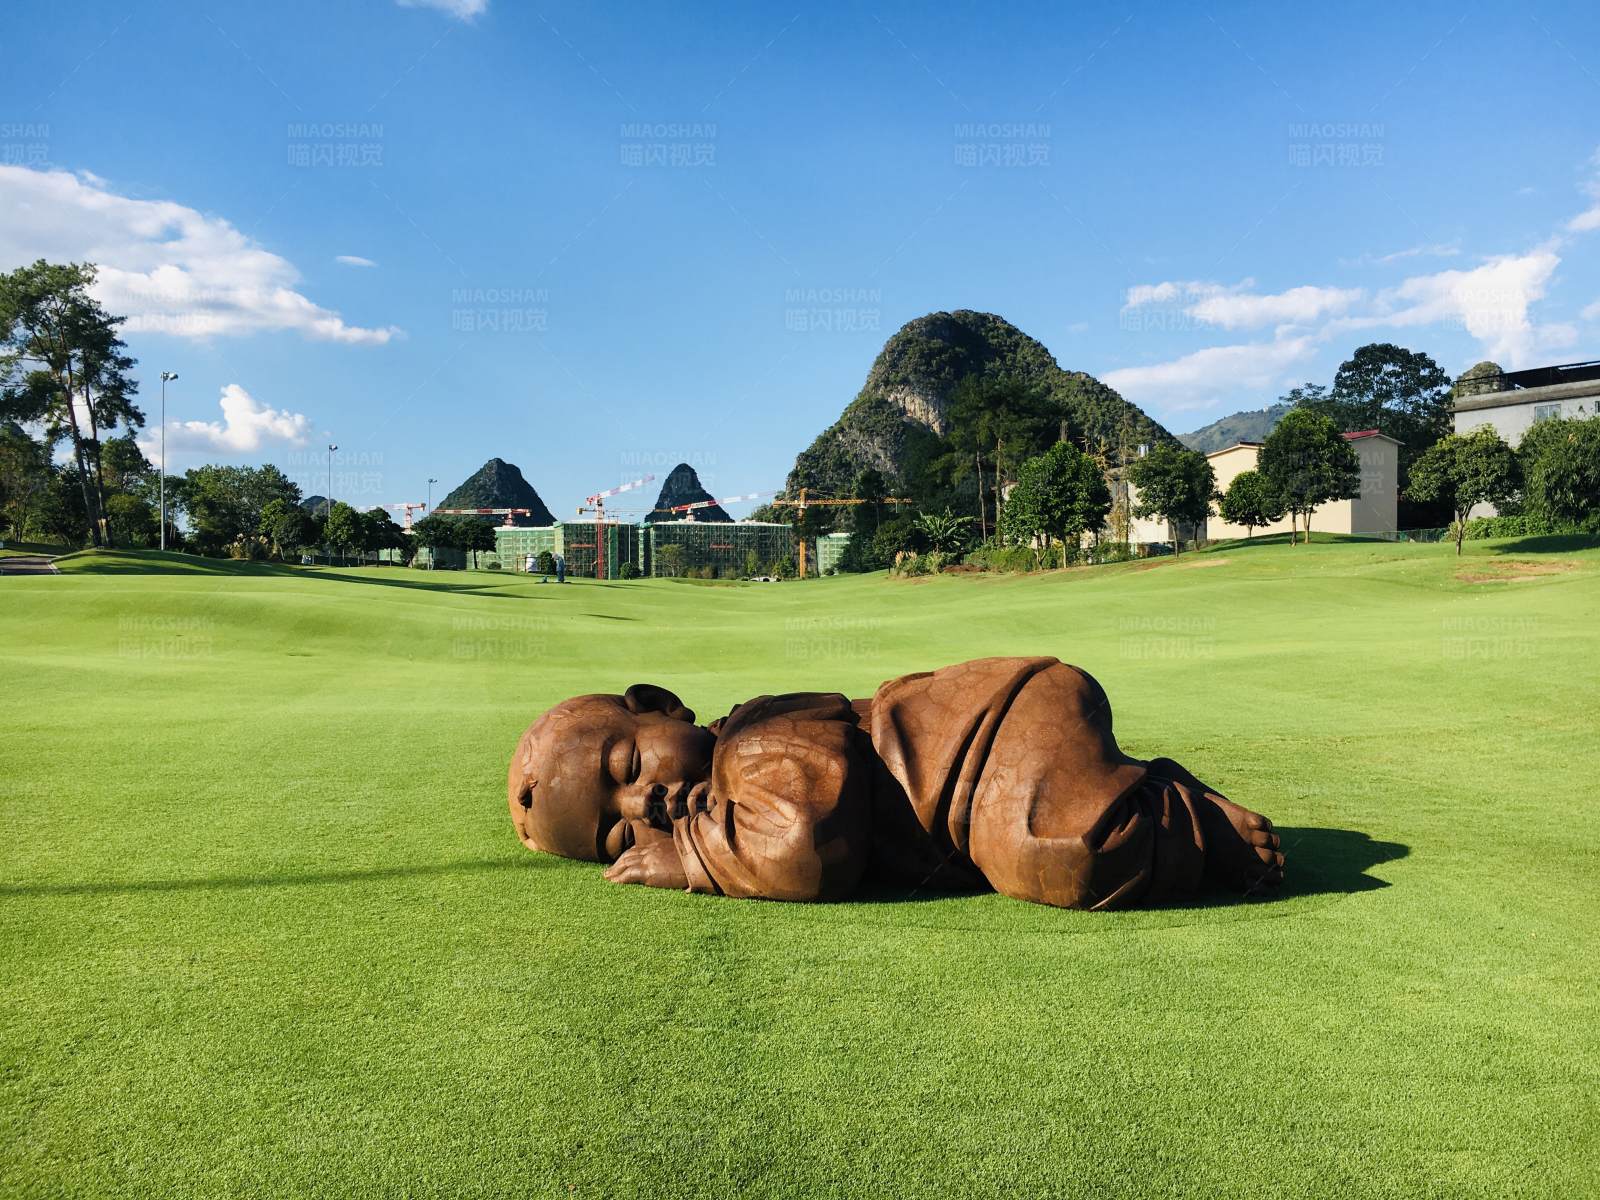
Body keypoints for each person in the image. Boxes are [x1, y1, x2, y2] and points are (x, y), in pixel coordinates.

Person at [507, 657, 1283, 911]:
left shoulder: (752, 738)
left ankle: (1181, 807)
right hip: (970, 813)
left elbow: (808, 847)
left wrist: (697, 861)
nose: (645, 804)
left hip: (996, 729)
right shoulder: (724, 794)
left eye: (628, 768)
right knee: (1035, 852)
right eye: (619, 830)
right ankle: (1131, 793)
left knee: (1063, 849)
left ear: (661, 710)